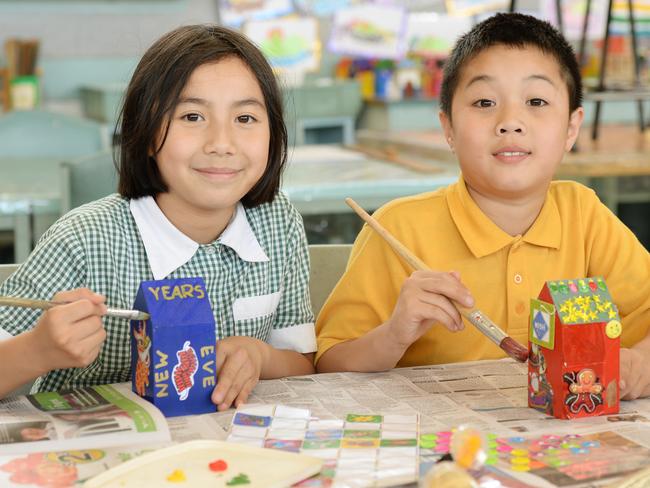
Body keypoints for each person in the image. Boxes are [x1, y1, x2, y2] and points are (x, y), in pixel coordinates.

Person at [316, 13, 650, 400]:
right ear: (448, 128)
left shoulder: (584, 214)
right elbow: (328, 362)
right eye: (485, 101)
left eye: (536, 101)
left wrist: (640, 361)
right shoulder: (399, 227)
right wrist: (393, 334)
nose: (510, 121)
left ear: (572, 128)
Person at [0, 25, 316, 409]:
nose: (221, 143)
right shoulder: (82, 240)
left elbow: (302, 363)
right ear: (148, 131)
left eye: (245, 119)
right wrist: (38, 350)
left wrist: (260, 355)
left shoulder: (278, 222)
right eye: (192, 116)